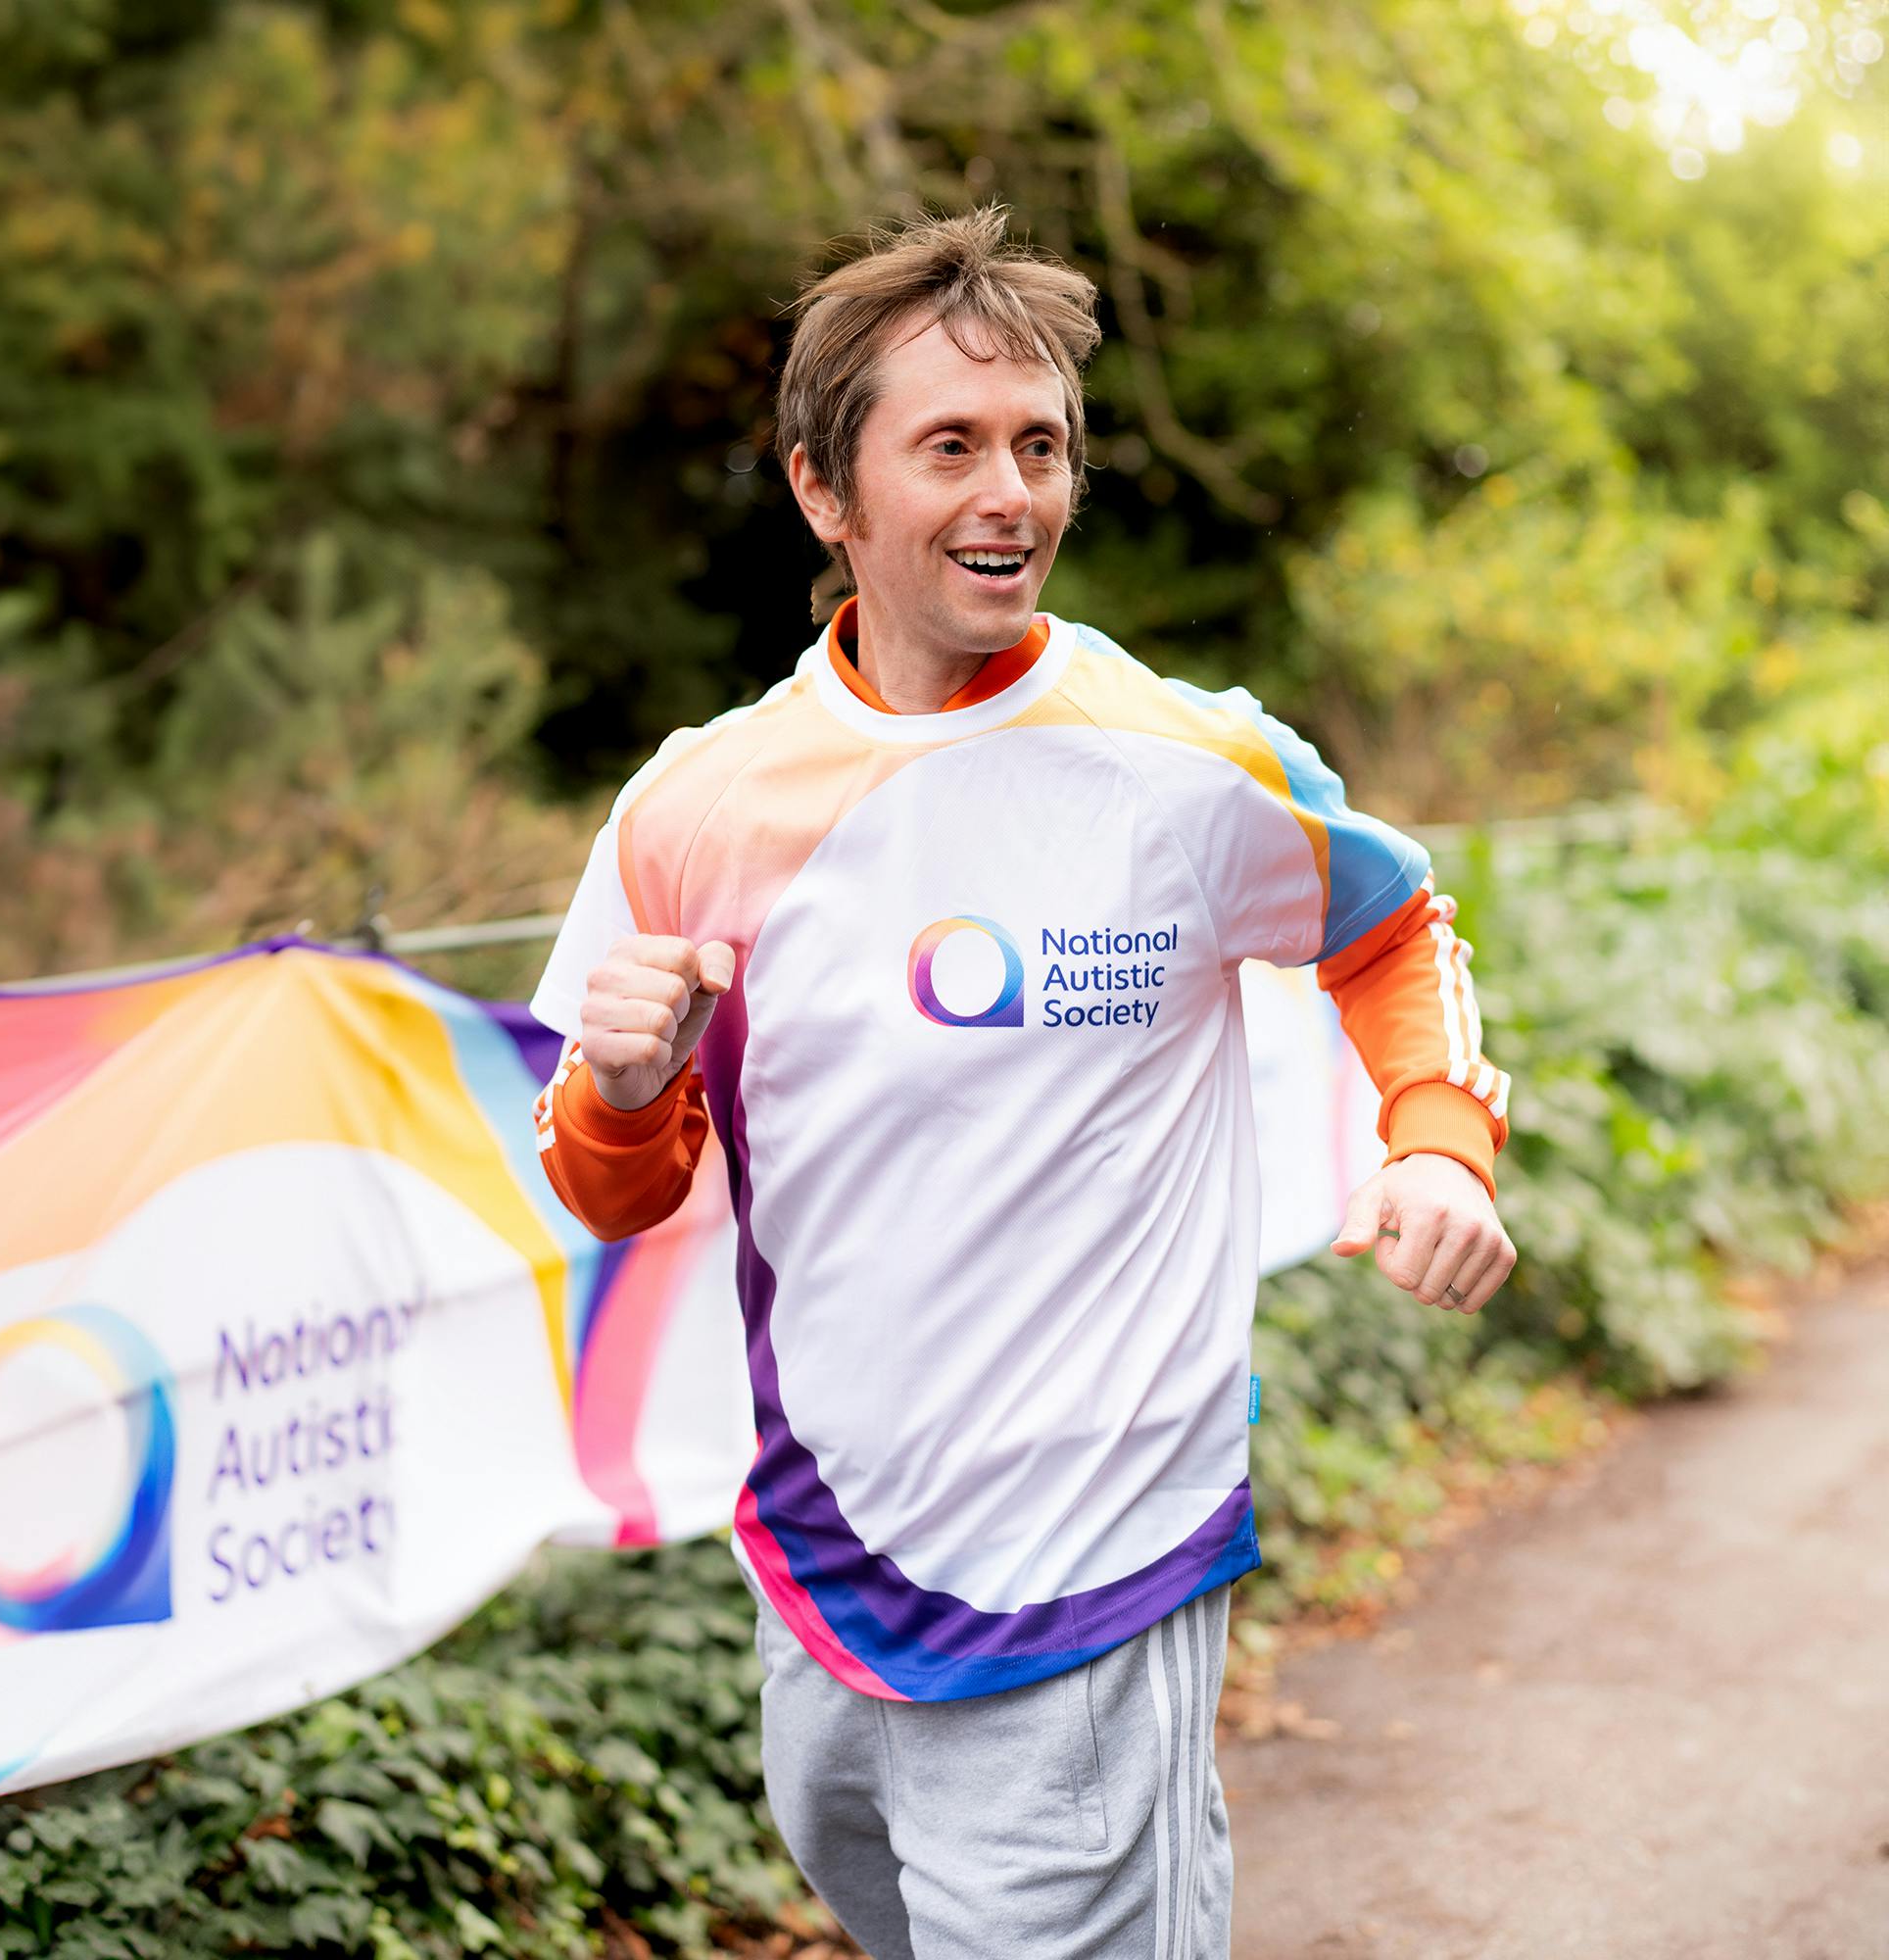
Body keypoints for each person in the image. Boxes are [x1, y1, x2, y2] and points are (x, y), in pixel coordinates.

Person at [527, 205, 1515, 1959]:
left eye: (1042, 446)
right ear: (823, 490)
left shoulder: (1188, 760)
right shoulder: (694, 808)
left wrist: (1437, 1144)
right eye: (953, 447)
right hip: (826, 1554)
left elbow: (1394, 924)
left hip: (1094, 1554)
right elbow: (610, 1187)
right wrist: (621, 1087)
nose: (1013, 494)